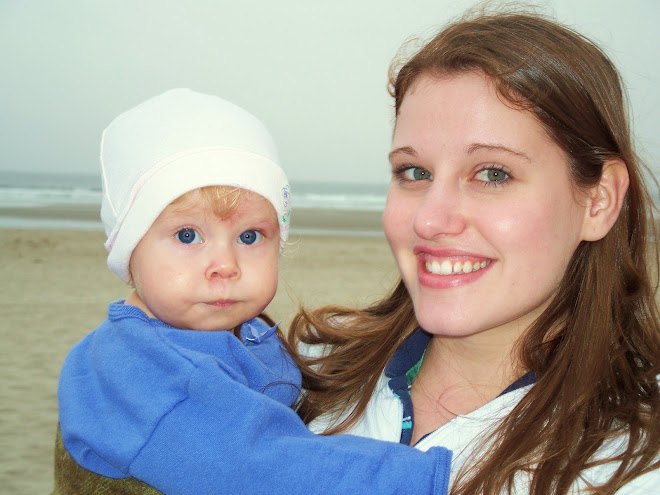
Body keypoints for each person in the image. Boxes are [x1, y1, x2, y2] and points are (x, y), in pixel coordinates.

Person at [288, 9, 660, 495]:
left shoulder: (631, 463)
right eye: (414, 173)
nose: (429, 220)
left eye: (492, 173)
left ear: (599, 199)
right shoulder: (302, 377)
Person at [54, 89, 452, 494]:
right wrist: (418, 480)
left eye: (249, 236)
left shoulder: (225, 335)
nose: (225, 265)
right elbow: (267, 468)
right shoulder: (148, 373)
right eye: (188, 235)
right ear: (130, 250)